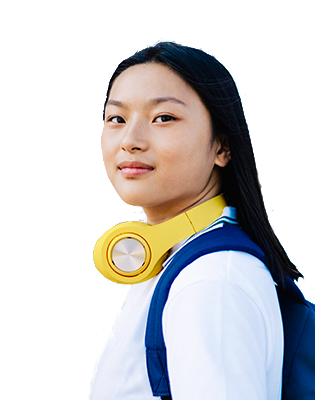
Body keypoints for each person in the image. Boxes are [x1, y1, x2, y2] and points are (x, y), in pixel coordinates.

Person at [89, 37, 301, 400]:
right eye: (117, 118)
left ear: (222, 145)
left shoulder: (211, 283)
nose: (130, 139)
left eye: (164, 118)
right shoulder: (180, 263)